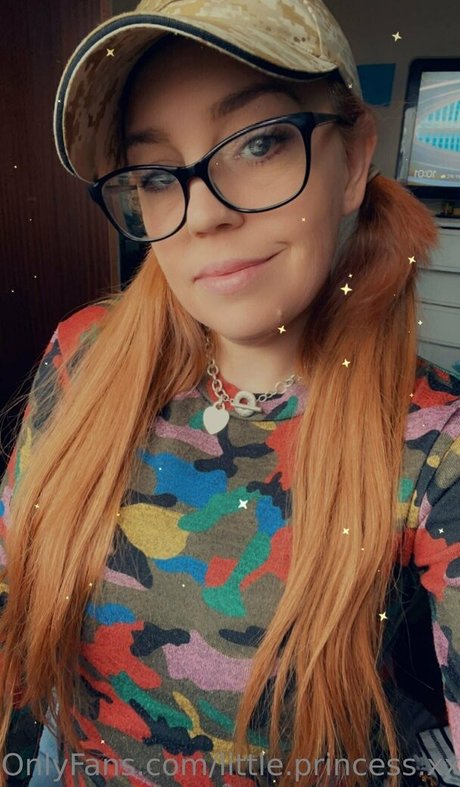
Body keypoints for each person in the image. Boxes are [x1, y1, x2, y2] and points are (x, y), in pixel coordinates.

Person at [0, 0, 459, 785]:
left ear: (354, 160)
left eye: (259, 141)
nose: (204, 214)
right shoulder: (84, 353)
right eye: (155, 174)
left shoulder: (434, 443)